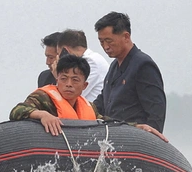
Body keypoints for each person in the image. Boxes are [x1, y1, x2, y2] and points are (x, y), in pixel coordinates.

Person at [10, 55, 167, 142]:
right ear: (57, 79)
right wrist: (42, 114)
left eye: (75, 80)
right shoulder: (43, 97)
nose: (68, 84)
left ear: (84, 86)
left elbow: (107, 122)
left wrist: (137, 127)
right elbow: (17, 111)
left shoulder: (88, 107)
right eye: (63, 79)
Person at [93, 12, 167, 133]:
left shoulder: (143, 65)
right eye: (101, 42)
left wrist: (151, 140)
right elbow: (102, 102)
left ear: (126, 37)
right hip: (112, 138)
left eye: (109, 41)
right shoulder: (113, 66)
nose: (105, 46)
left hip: (135, 140)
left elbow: (156, 112)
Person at [56, 29, 109, 102]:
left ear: (65, 50)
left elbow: (68, 95)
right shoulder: (95, 58)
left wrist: (57, 73)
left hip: (92, 110)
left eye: (59, 54)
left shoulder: (91, 61)